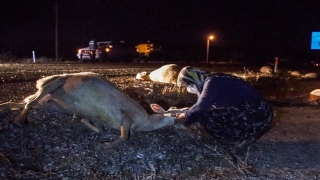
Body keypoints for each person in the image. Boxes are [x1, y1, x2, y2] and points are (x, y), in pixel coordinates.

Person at [174, 66, 273, 157]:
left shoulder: (212, 81)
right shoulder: (216, 78)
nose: (189, 89)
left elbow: (200, 108)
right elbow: (199, 107)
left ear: (194, 79)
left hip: (254, 111)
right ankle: (249, 135)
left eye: (189, 85)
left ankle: (240, 137)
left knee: (205, 116)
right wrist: (188, 114)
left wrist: (182, 118)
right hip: (260, 113)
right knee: (209, 114)